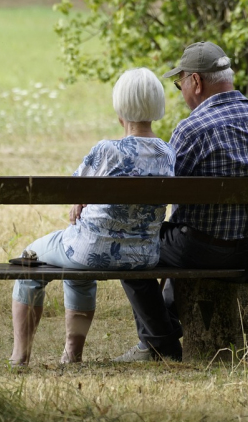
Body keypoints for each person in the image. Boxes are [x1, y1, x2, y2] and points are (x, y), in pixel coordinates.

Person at [114, 42, 248, 362]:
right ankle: (167, 324)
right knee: (182, 233)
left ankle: (159, 343)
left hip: (201, 250)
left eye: (180, 85)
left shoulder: (192, 129)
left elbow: (163, 194)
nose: (181, 92)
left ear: (196, 82)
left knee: (129, 244)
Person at [9, 67, 176, 366]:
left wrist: (80, 200)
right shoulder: (167, 153)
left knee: (29, 259)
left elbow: (72, 189)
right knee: (76, 268)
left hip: (91, 251)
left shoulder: (107, 150)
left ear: (120, 108)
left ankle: (20, 356)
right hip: (143, 256)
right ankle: (72, 355)